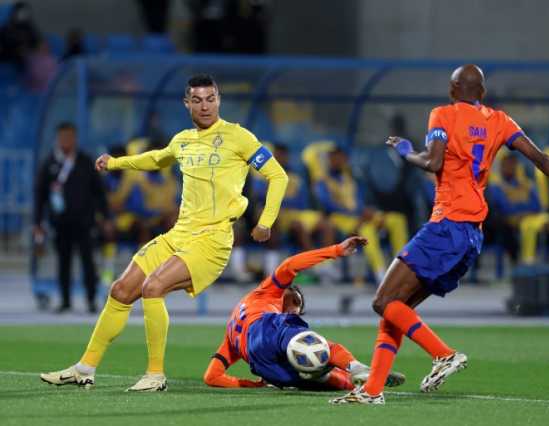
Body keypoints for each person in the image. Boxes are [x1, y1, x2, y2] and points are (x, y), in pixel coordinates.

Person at [331, 64, 549, 405]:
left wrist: (403, 151)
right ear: (482, 93)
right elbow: (542, 159)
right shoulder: (500, 121)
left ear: (452, 89)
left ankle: (444, 354)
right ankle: (372, 391)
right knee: (397, 310)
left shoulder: (441, 113)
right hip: (471, 235)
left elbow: (433, 163)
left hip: (447, 225)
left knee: (382, 302)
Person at [40, 74, 289, 392]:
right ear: (187, 104)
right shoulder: (183, 140)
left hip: (212, 240)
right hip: (179, 234)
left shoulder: (239, 137)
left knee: (153, 287)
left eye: (210, 98)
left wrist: (265, 221)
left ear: (219, 100)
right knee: (121, 290)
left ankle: (155, 374)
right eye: (197, 100)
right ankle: (84, 368)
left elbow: (277, 176)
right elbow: (157, 158)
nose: (205, 106)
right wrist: (116, 163)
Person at [203, 236, 404, 390]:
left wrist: (251, 385)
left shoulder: (232, 334)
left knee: (318, 378)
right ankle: (356, 367)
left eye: (297, 305)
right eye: (293, 300)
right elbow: (290, 265)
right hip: (265, 328)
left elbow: (212, 376)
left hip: (266, 368)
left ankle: (359, 381)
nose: (293, 308)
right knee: (320, 348)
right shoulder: (268, 293)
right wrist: (335, 250)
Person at [34, 122, 112, 314]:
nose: (66, 141)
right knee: (63, 262)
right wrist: (38, 223)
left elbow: (99, 192)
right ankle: (66, 301)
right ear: (58, 139)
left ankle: (91, 300)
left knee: (88, 262)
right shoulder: (50, 162)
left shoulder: (85, 161)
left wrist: (106, 217)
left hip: (85, 222)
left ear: (74, 138)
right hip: (60, 223)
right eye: (63, 137)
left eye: (69, 137)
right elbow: (40, 195)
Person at [311, 145, 408, 283]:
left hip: (362, 215)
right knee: (366, 231)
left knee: (397, 220)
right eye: (333, 157)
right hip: (341, 219)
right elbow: (328, 205)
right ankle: (380, 273)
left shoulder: (351, 177)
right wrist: (357, 213)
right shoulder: (322, 181)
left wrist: (369, 211)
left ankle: (400, 266)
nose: (337, 160)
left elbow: (362, 200)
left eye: (340, 157)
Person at [252, 143, 336, 277]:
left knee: (326, 225)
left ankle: (326, 265)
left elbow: (301, 200)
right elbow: (259, 195)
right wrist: (282, 202)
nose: (280, 158)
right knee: (295, 225)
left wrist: (280, 200)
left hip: (295, 212)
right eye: (276, 155)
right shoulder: (263, 174)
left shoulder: (295, 176)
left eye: (283, 156)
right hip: (277, 213)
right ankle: (314, 265)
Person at [488, 153, 549, 270]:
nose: (511, 166)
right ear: (501, 166)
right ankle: (528, 263)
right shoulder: (496, 186)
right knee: (529, 227)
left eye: (513, 164)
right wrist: (523, 208)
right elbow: (506, 207)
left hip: (534, 217)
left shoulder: (526, 184)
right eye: (507, 164)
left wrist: (522, 208)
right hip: (514, 220)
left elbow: (537, 205)